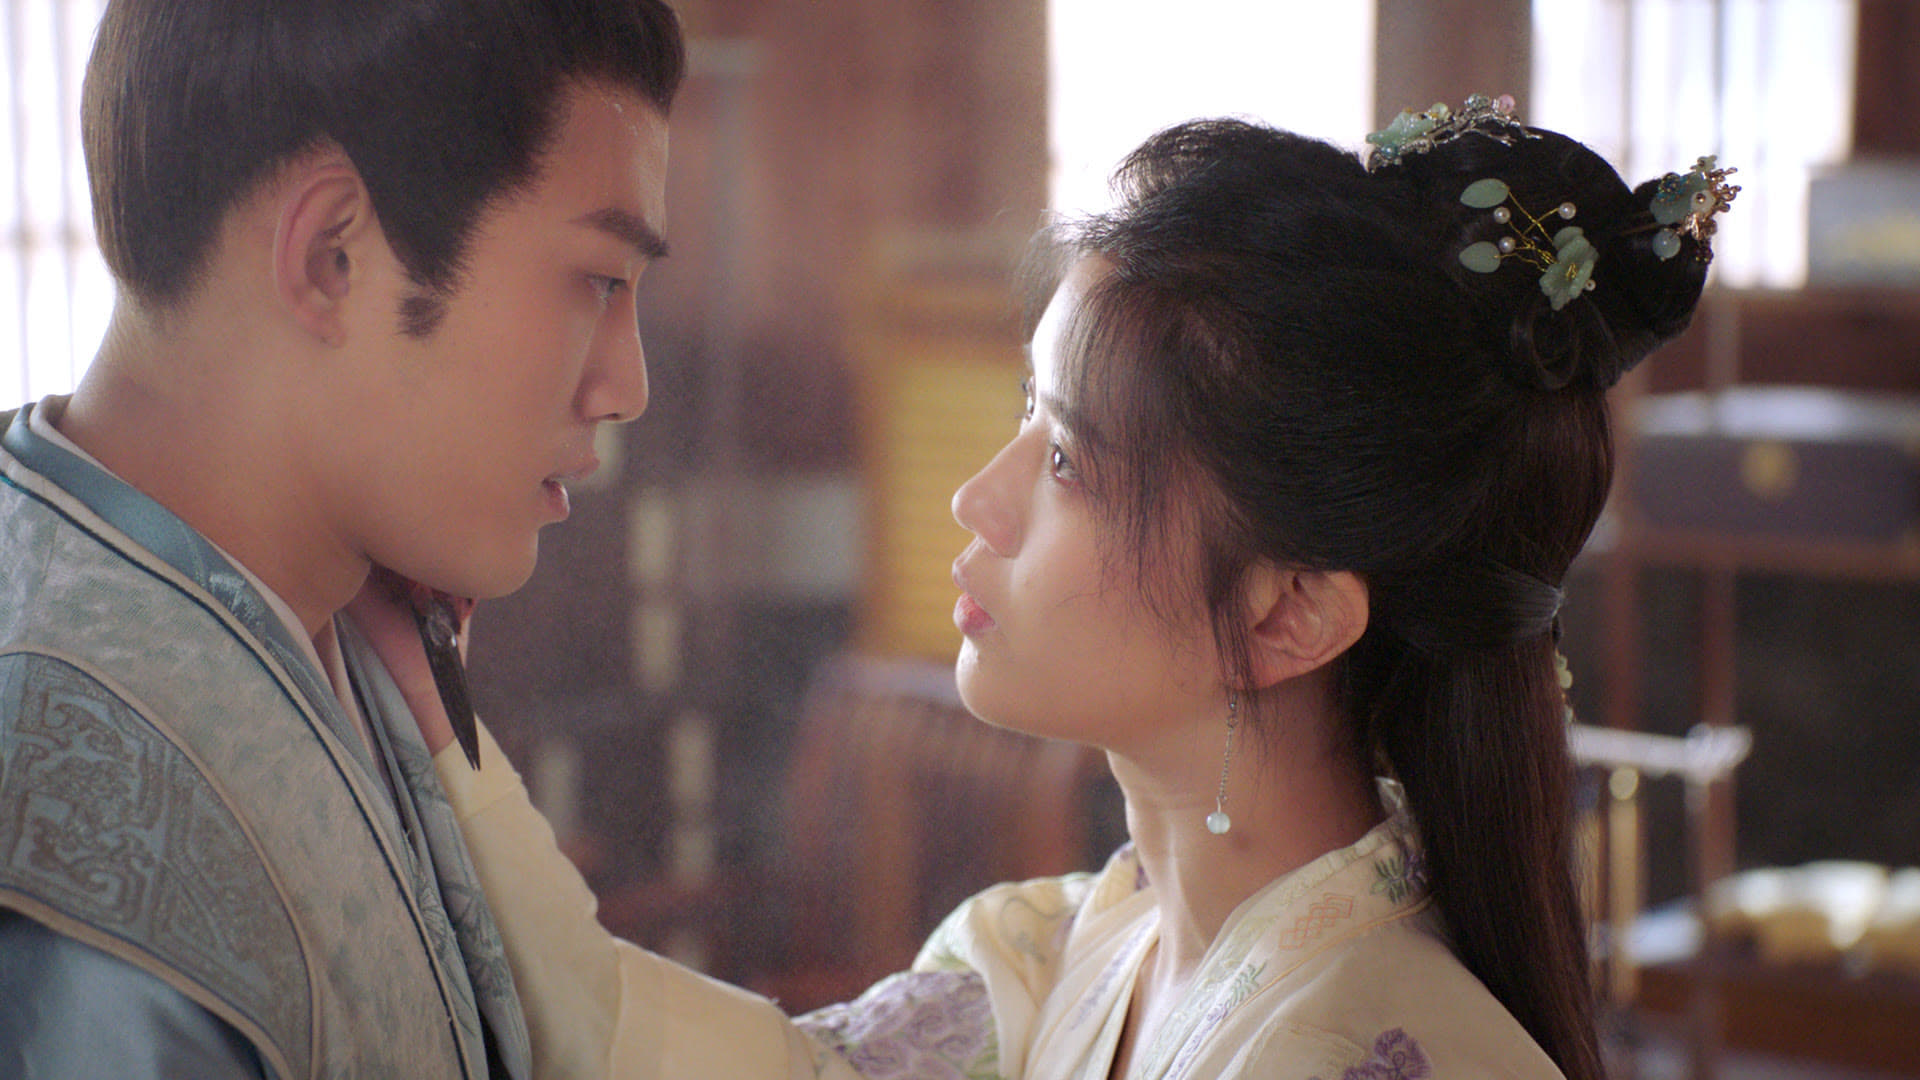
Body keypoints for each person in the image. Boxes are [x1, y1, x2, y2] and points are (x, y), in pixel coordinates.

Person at [363, 96, 1736, 1080]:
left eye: (1070, 458)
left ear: (1289, 613)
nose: (980, 496)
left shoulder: (1379, 1046)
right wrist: (439, 733)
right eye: (1030, 411)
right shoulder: (1058, 956)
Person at [0, 1, 686, 1076]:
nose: (626, 386)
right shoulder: (66, 818)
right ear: (333, 256)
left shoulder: (345, 607)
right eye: (598, 278)